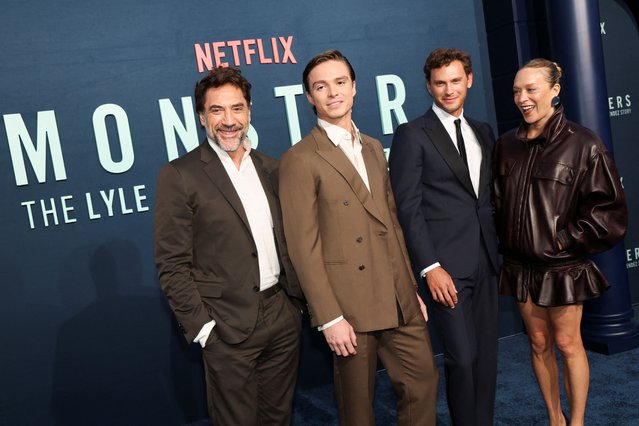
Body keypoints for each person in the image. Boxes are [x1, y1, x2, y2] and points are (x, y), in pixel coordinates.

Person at [279, 49, 439, 425]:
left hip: (398, 294)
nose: (332, 92)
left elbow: (391, 223)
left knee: (423, 383)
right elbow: (303, 247)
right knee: (357, 409)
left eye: (339, 82)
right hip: (347, 306)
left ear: (354, 88)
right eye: (321, 86)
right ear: (309, 97)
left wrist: (410, 288)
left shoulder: (371, 146)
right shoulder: (300, 159)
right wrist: (329, 316)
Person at [154, 67, 305, 425]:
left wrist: (294, 306)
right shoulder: (180, 175)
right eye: (217, 111)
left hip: (281, 316)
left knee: (278, 417)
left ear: (249, 112)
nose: (228, 120)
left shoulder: (271, 167)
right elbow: (171, 263)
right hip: (226, 327)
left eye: (237, 109)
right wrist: (205, 329)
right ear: (202, 116)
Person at [493, 58, 627, 426]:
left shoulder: (584, 144)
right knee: (538, 345)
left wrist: (565, 239)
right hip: (521, 268)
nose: (522, 98)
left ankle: (578, 421)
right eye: (517, 91)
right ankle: (555, 418)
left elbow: (610, 212)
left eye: (531, 89)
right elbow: (497, 204)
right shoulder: (505, 145)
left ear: (554, 90)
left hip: (562, 267)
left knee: (568, 345)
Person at [388, 48, 501, 426]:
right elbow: (408, 207)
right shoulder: (412, 134)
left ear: (469, 80)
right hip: (446, 268)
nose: (448, 89)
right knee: (463, 358)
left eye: (455, 81)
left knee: (486, 357)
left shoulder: (483, 130)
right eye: (440, 83)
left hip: (487, 259)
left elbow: (486, 199)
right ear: (429, 86)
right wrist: (430, 267)